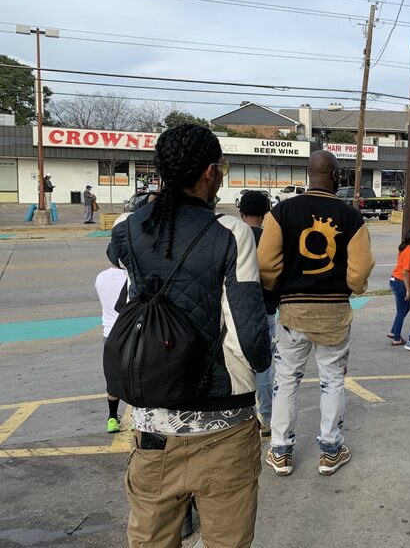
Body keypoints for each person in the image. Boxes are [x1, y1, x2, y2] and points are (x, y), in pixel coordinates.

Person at [107, 123, 272, 547]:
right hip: (224, 426)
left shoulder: (127, 228)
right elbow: (252, 341)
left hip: (152, 428)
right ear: (209, 173)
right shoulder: (231, 233)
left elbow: (117, 254)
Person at [259, 150, 374, 477]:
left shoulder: (280, 212)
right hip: (335, 312)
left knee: (286, 381)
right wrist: (350, 288)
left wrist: (281, 287)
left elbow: (266, 264)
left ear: (309, 174)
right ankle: (330, 450)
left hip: (293, 311)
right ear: (335, 176)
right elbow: (361, 268)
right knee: (333, 381)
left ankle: (280, 452)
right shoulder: (351, 216)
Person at [239, 189, 280, 437]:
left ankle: (244, 417)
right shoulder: (270, 240)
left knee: (240, 365)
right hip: (267, 310)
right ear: (265, 214)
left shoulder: (234, 238)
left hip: (239, 311)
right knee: (265, 367)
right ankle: (267, 417)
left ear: (242, 213)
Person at [95, 264, 128, 433]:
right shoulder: (130, 277)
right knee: (135, 377)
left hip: (109, 334)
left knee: (112, 378)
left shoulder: (100, 277)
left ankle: (112, 419)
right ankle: (137, 420)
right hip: (128, 332)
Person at [388, 229, 410, 346]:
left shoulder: (406, 249)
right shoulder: (409, 252)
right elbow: (405, 272)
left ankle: (393, 331)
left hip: (397, 281)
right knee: (401, 311)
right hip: (400, 282)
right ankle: (396, 337)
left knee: (406, 308)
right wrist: (408, 290)